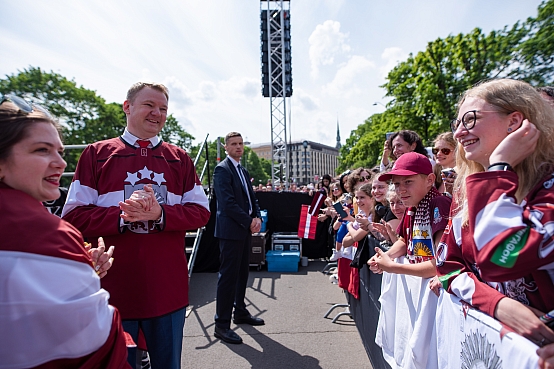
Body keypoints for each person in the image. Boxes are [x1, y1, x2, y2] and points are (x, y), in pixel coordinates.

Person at [62, 82, 210, 368]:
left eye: (163, 108)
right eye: (149, 105)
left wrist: (159, 215)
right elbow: (72, 217)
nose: (157, 113)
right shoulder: (96, 154)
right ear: (127, 107)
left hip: (167, 291)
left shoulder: (180, 159)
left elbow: (201, 212)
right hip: (113, 292)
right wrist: (122, 216)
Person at [0, 95, 130, 368]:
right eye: (41, 150)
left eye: (59, 151)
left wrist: (78, 268)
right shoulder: (47, 234)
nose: (60, 162)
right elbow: (97, 341)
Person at [434, 78, 554, 348]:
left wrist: (499, 168)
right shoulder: (470, 190)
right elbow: (447, 268)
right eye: (457, 124)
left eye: (470, 120)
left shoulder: (547, 188)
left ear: (514, 122)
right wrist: (498, 305)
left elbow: (499, 257)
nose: (458, 134)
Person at [213, 131, 264, 345]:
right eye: (233, 144)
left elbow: (252, 199)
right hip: (231, 231)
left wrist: (258, 217)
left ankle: (240, 311)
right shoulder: (222, 169)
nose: (238, 147)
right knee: (228, 277)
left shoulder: (242, 169)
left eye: (241, 143)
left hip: (243, 229)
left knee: (243, 273)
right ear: (226, 147)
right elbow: (227, 203)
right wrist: (249, 221)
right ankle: (221, 325)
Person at [368, 152, 451, 278]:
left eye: (408, 182)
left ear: (430, 180)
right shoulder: (412, 205)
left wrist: (394, 267)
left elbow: (441, 262)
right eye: (396, 184)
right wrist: (386, 257)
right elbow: (405, 240)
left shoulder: (439, 204)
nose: (400, 190)